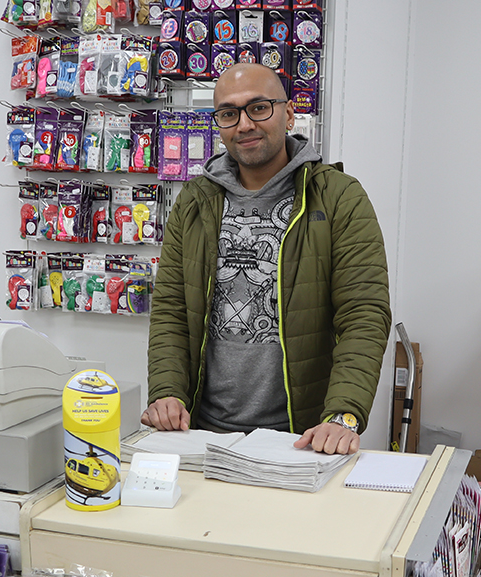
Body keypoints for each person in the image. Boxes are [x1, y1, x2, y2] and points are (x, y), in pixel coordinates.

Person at [142, 63, 391, 455]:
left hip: (302, 439)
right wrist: (167, 392)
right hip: (202, 435)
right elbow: (171, 310)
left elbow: (364, 316)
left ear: (289, 113)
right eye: (229, 113)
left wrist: (343, 414)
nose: (244, 124)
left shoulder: (339, 198)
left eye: (259, 107)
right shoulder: (194, 201)